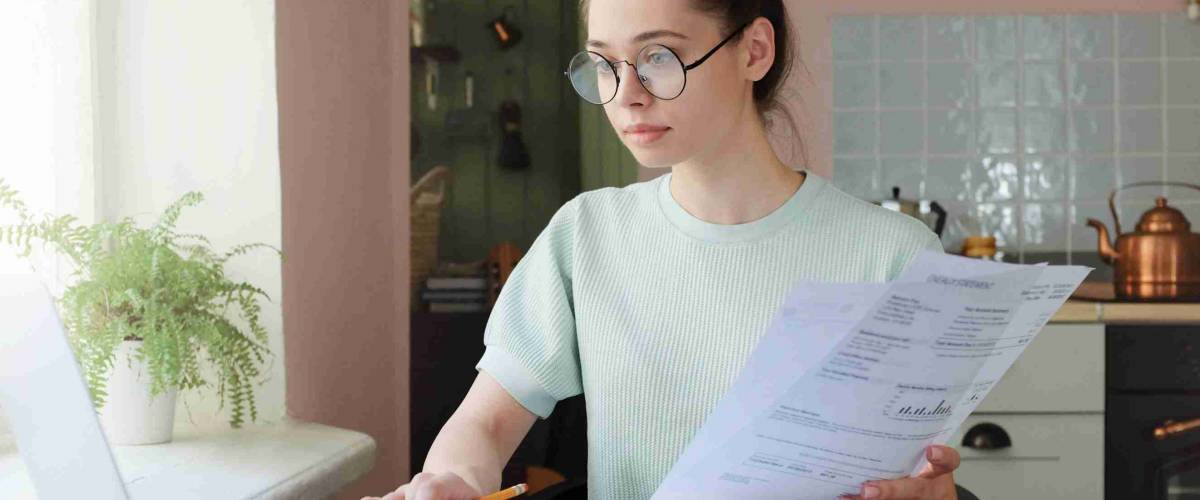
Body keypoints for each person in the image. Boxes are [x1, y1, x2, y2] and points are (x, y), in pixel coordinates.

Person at [367, 0, 961, 498]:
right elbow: (486, 422)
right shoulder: (585, 236)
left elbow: (916, 468)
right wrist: (449, 482)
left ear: (754, 50)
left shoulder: (893, 256)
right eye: (604, 63)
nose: (626, 95)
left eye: (659, 57)